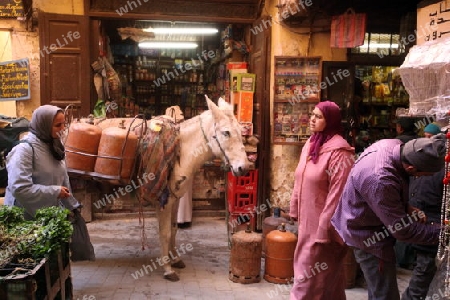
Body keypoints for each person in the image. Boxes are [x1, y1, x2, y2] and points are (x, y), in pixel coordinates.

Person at [331, 134, 446, 300]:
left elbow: (384, 198)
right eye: (423, 175)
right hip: (368, 237)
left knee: (380, 291)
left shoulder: (391, 144)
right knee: (385, 295)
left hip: (367, 222)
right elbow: (403, 231)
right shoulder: (380, 179)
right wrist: (442, 233)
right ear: (412, 169)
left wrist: (405, 208)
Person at [289, 101, 355, 300]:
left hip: (324, 230)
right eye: (312, 114)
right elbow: (299, 177)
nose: (311, 119)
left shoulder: (340, 153)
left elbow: (338, 196)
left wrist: (323, 230)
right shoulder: (311, 144)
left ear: (331, 121)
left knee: (306, 281)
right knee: (329, 281)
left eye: (318, 116)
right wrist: (294, 208)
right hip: (306, 224)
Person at [4, 105, 80, 219]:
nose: (63, 129)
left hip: (47, 217)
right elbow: (20, 188)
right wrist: (54, 192)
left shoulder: (55, 146)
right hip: (24, 220)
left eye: (64, 124)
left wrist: (72, 206)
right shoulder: (24, 150)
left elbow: (63, 180)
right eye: (58, 125)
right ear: (44, 125)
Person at [401, 124, 444, 300]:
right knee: (423, 270)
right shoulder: (433, 166)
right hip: (429, 225)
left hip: (425, 224)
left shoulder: (426, 163)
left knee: (424, 270)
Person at [164, 106, 193, 228]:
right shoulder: (182, 129)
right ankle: (182, 219)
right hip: (182, 164)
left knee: (180, 193)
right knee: (181, 193)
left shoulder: (171, 130)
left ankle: (179, 219)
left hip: (181, 164)